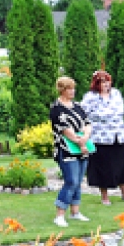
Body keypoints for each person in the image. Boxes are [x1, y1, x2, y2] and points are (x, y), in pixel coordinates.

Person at [81, 70, 124, 205]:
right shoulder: (90, 97)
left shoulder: (116, 94)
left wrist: (104, 114)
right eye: (102, 82)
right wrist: (105, 115)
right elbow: (84, 114)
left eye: (107, 81)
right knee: (102, 166)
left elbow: (120, 110)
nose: (105, 84)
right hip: (100, 138)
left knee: (121, 165)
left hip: (118, 135)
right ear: (96, 83)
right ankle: (104, 196)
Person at [50, 76, 93, 228]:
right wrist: (79, 141)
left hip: (83, 147)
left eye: (73, 88)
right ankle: (60, 215)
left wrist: (86, 137)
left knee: (79, 181)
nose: (72, 91)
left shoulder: (77, 106)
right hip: (66, 149)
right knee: (71, 180)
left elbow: (87, 123)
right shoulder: (56, 108)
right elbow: (64, 130)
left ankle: (75, 212)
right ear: (62, 90)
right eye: (69, 89)